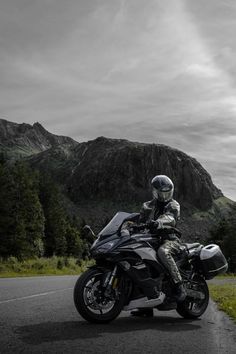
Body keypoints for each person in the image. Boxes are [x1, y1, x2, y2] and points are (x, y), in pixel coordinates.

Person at [131, 174, 186, 317]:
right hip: (151, 239)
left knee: (163, 252)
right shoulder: (147, 205)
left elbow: (170, 218)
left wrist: (159, 222)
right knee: (139, 262)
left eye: (166, 192)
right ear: (154, 192)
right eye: (160, 192)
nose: (163, 195)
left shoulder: (174, 204)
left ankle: (179, 286)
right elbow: (138, 219)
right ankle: (145, 305)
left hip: (170, 240)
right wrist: (130, 225)